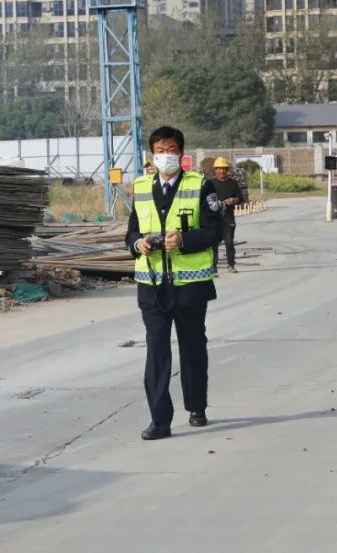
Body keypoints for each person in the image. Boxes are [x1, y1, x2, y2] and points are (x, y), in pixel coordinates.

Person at [125, 126, 223, 440]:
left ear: (181, 153)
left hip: (190, 285)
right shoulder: (140, 187)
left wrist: (183, 240)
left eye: (171, 149)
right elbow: (131, 230)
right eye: (160, 150)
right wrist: (137, 243)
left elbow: (214, 231)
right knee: (156, 351)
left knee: (193, 346)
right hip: (151, 284)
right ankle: (160, 420)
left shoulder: (200, 186)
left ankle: (197, 406)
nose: (165, 155)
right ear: (151, 155)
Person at [210, 157, 246, 274]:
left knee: (229, 242)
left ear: (227, 170)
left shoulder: (233, 183)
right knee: (213, 243)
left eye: (224, 169)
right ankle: (213, 267)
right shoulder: (210, 183)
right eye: (219, 169)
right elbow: (205, 199)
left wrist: (233, 200)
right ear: (215, 170)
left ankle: (231, 265)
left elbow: (240, 198)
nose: (222, 171)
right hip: (214, 219)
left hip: (228, 218)